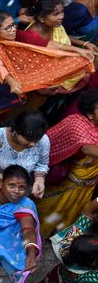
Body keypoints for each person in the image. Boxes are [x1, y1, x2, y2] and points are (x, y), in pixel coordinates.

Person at [37, 89, 98, 236]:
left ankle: (60, 241)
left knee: (71, 216)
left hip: (86, 187)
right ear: (90, 115)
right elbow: (87, 148)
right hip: (65, 183)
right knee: (46, 215)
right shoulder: (76, 123)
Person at [0, 110, 49, 198]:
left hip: (19, 193)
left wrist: (39, 180)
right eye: (29, 140)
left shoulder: (43, 141)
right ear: (16, 131)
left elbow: (42, 163)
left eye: (37, 140)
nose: (33, 144)